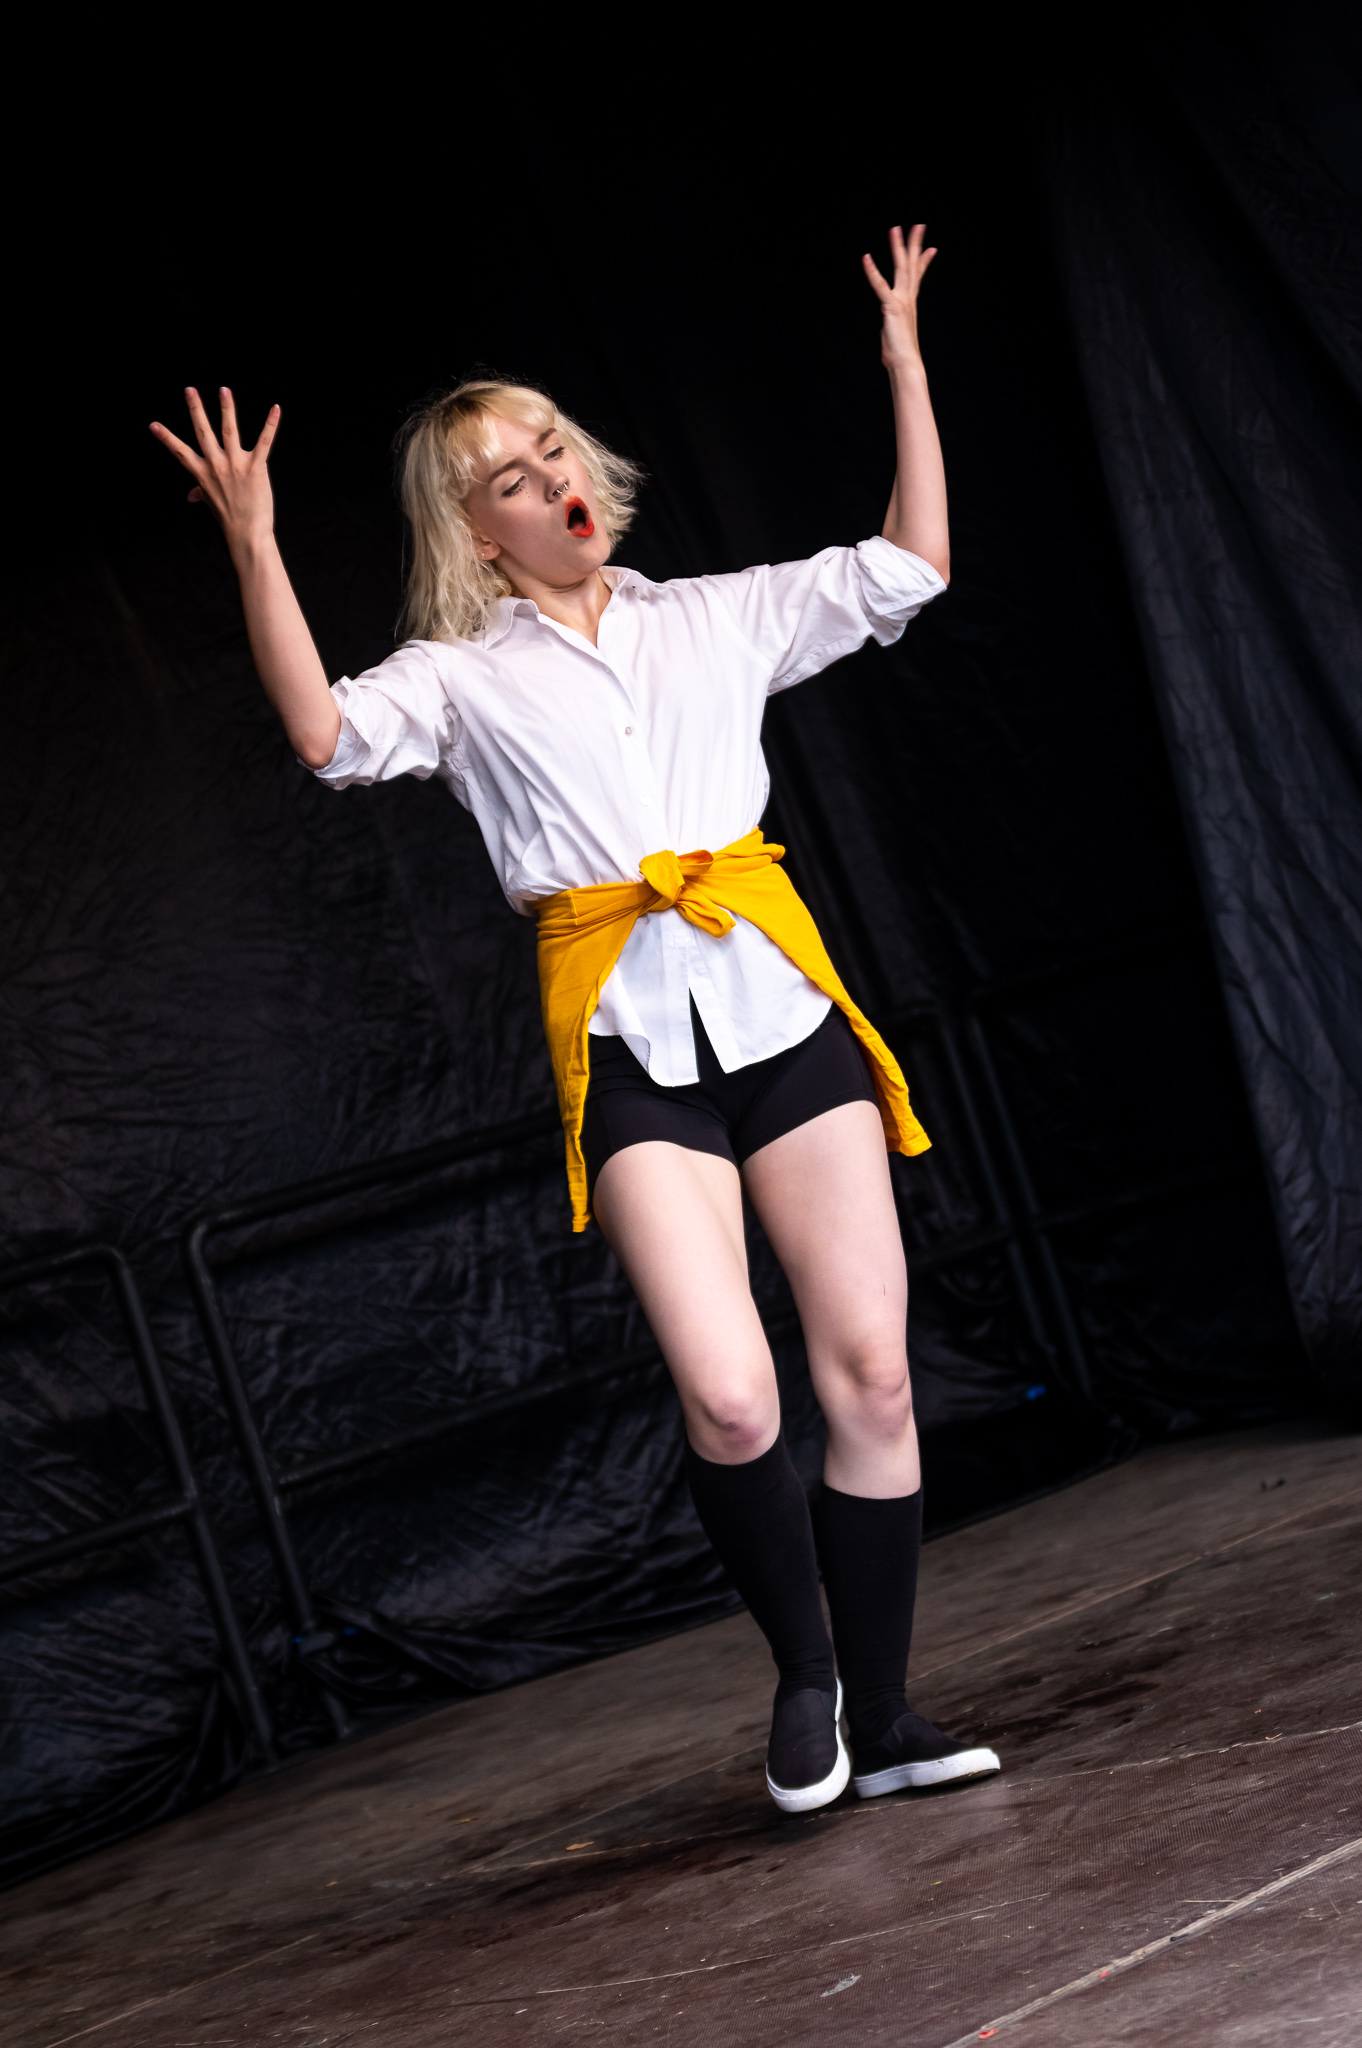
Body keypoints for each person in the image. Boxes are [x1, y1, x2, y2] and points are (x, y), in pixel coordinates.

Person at [151, 224, 1001, 1814]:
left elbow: (910, 567)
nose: (547, 479)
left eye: (552, 448)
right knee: (733, 1393)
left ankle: (884, 1715)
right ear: (476, 536)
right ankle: (805, 1681)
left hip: (783, 1022)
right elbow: (325, 736)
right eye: (505, 476)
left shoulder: (714, 617)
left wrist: (902, 364)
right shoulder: (461, 677)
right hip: (628, 1052)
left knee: (873, 1378)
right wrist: (256, 544)